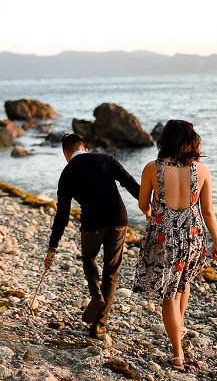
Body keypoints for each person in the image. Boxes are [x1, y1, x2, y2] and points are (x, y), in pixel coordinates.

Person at [132, 120, 217, 370]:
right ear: (191, 140)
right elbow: (208, 211)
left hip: (164, 237)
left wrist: (151, 213)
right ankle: (178, 329)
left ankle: (177, 352)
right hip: (193, 236)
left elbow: (142, 204)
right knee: (184, 283)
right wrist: (216, 239)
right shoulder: (201, 171)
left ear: (165, 139)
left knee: (168, 294)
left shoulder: (152, 168)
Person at [44, 133, 141, 339]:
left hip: (92, 224)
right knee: (112, 270)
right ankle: (99, 325)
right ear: (85, 148)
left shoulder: (67, 172)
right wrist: (149, 208)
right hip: (118, 219)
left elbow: (63, 215)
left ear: (66, 154)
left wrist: (53, 247)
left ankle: (96, 295)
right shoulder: (106, 158)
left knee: (89, 258)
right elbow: (130, 184)